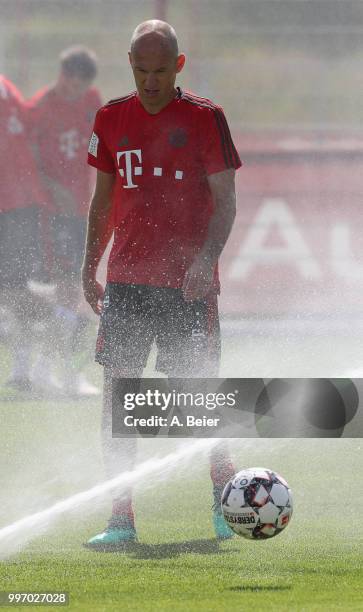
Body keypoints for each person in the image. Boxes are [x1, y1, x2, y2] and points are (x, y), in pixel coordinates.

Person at [82, 20, 241, 548]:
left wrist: (205, 259)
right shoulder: (110, 117)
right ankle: (121, 520)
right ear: (129, 62)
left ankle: (225, 508)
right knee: (116, 404)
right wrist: (90, 265)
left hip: (188, 290)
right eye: (140, 70)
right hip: (126, 285)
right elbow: (103, 201)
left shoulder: (205, 118)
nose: (150, 82)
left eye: (159, 72)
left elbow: (226, 200)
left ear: (178, 66)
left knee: (197, 400)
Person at [27, 46, 102, 396]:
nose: (76, 91)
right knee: (69, 291)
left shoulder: (91, 100)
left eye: (82, 86)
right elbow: (28, 160)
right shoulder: (40, 108)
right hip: (52, 215)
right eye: (72, 83)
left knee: (75, 293)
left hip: (84, 213)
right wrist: (54, 188)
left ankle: (53, 370)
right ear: (63, 76)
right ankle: (53, 371)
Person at [0, 74, 47, 393]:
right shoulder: (5, 85)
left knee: (14, 289)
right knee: (14, 290)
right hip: (18, 202)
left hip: (13, 205)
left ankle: (63, 321)